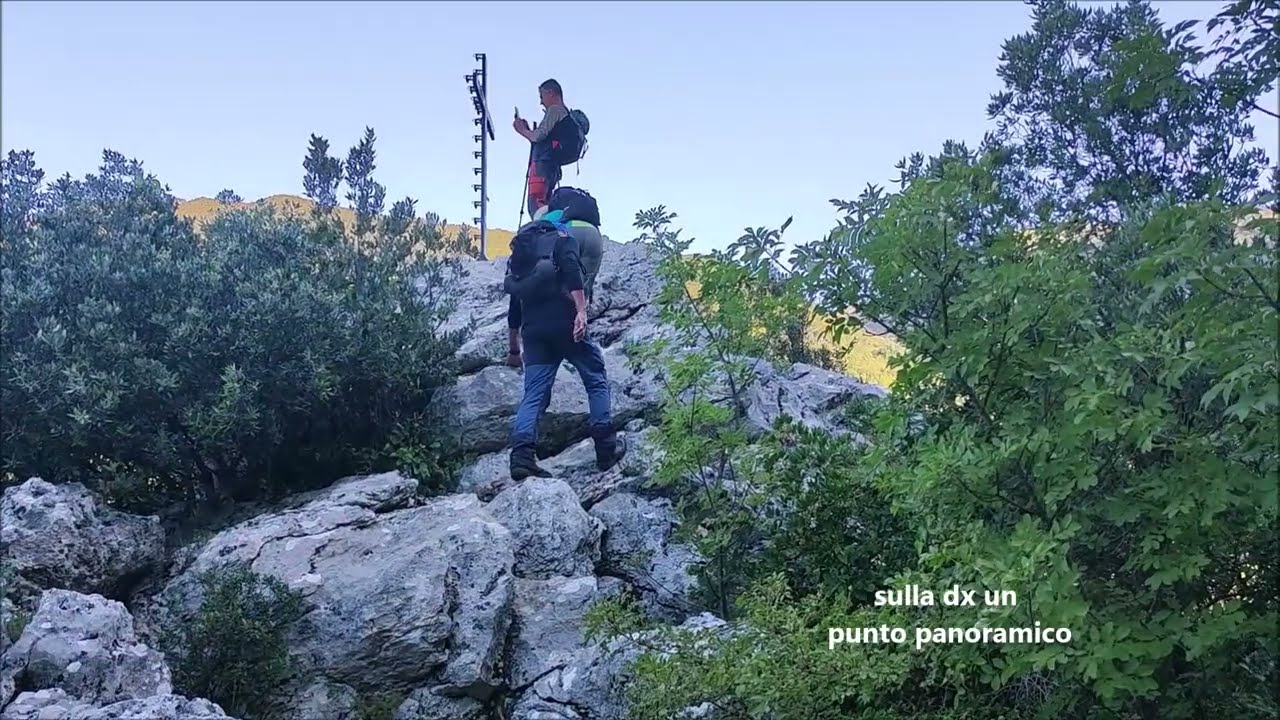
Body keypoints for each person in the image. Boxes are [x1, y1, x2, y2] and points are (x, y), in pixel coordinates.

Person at [503, 220, 626, 481]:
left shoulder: (521, 257)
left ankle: (521, 458)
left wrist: (514, 348)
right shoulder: (562, 240)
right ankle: (605, 448)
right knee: (594, 377)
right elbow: (572, 270)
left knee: (534, 394)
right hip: (564, 324)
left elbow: (515, 303)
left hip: (534, 333)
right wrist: (581, 312)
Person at [513, 79, 575, 214]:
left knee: (536, 204)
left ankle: (543, 231)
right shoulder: (565, 115)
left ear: (550, 93)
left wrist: (521, 130)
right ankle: (551, 230)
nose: (541, 102)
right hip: (553, 166)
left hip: (542, 165)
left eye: (542, 96)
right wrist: (528, 131)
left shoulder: (555, 111)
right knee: (546, 202)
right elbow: (541, 140)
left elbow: (538, 136)